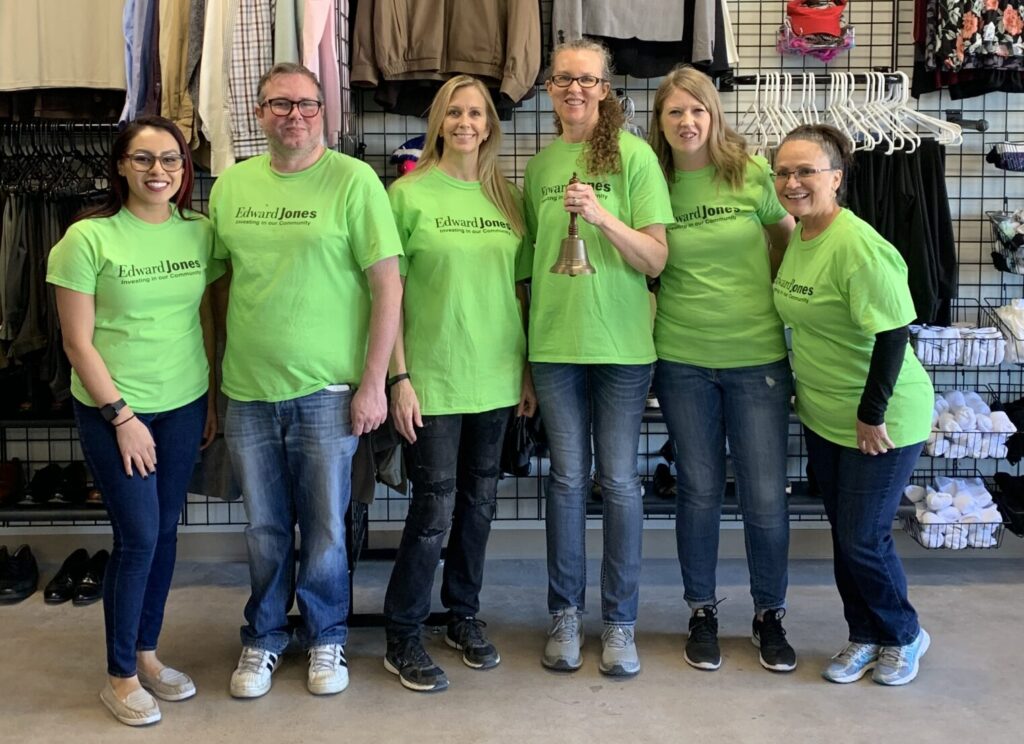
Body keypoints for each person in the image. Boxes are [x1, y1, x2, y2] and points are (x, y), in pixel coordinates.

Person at [210, 62, 403, 699]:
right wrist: (214, 384)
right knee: (264, 527)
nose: (295, 115)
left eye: (308, 105)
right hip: (248, 391)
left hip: (326, 392)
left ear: (326, 112)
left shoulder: (355, 182)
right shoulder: (232, 186)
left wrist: (375, 382)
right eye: (280, 104)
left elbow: (387, 287)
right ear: (259, 112)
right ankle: (264, 637)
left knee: (324, 527)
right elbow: (216, 286)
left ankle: (326, 638)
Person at [47, 115, 221, 726]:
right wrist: (121, 416)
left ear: (184, 168)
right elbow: (77, 344)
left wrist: (212, 398)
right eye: (144, 159)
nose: (158, 171)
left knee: (166, 534)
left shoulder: (199, 232)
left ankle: (147, 653)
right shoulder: (87, 240)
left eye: (170, 159)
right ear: (121, 164)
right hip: (116, 408)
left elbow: (204, 314)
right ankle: (119, 676)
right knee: (139, 537)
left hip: (184, 403)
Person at [382, 74, 536, 692]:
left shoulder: (509, 199)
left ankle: (462, 615)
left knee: (480, 505)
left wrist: (525, 371)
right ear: (439, 122)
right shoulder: (407, 194)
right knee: (433, 510)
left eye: (477, 113)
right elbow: (385, 295)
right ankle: (403, 632)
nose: (466, 122)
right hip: (434, 377)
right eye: (455, 112)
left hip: (497, 377)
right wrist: (399, 376)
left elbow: (522, 292)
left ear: (490, 124)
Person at [524, 38, 673, 677]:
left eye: (587, 80)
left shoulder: (635, 157)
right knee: (563, 481)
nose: (575, 89)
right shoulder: (536, 167)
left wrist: (602, 215)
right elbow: (527, 271)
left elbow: (656, 260)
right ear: (550, 91)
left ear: (605, 89)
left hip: (620, 347)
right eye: (563, 80)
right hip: (554, 345)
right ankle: (564, 614)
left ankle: (618, 623)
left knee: (616, 482)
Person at [647, 66, 798, 673]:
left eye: (698, 111)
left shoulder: (751, 173)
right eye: (675, 113)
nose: (688, 122)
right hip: (682, 358)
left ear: (714, 114)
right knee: (699, 492)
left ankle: (769, 615)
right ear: (660, 123)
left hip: (757, 356)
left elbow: (788, 238)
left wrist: (774, 298)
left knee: (764, 495)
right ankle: (702, 612)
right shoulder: (652, 182)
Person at [771, 124, 933, 686]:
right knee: (847, 533)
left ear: (836, 178)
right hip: (825, 414)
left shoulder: (857, 245)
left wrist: (871, 414)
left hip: (880, 416)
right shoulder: (800, 234)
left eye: (806, 171)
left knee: (864, 536)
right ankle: (863, 634)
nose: (792, 182)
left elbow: (894, 335)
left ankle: (904, 633)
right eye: (784, 172)